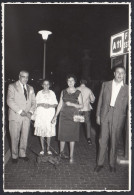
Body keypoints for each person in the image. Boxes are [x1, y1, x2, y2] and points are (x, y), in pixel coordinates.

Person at [94, 65, 128, 173]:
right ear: (114, 73)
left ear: (124, 75)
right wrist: (98, 115)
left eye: (122, 73)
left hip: (118, 117)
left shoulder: (127, 89)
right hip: (105, 114)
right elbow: (100, 100)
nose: (119, 75)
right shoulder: (106, 84)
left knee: (114, 141)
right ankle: (100, 163)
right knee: (102, 140)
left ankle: (112, 164)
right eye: (118, 72)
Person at [52, 74, 83, 163]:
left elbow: (82, 105)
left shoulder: (78, 92)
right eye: (69, 81)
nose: (70, 82)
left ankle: (71, 156)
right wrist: (55, 116)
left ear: (75, 82)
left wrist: (72, 104)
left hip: (74, 116)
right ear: (67, 82)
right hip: (63, 116)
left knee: (72, 137)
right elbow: (60, 104)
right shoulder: (63, 91)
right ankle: (61, 154)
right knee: (62, 136)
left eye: (72, 80)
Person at [7, 70, 36, 163]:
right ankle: (14, 156)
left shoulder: (30, 88)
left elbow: (34, 102)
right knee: (14, 137)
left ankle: (22, 154)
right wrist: (20, 111)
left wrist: (30, 112)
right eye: (23, 76)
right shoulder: (12, 86)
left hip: (27, 117)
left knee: (24, 136)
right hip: (15, 116)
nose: (26, 79)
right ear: (19, 76)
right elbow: (9, 101)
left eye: (27, 77)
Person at [34, 79, 58, 155]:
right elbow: (35, 103)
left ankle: (48, 149)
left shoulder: (52, 93)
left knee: (48, 131)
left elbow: (56, 104)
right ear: (42, 85)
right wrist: (41, 104)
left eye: (47, 84)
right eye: (44, 84)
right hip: (41, 114)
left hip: (49, 114)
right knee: (41, 131)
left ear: (49, 85)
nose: (46, 86)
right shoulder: (39, 93)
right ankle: (42, 148)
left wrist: (49, 105)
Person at [77, 79, 95, 145]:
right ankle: (89, 139)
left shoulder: (76, 89)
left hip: (78, 109)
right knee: (87, 123)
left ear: (80, 82)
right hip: (86, 109)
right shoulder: (88, 90)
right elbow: (92, 100)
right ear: (86, 82)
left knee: (77, 123)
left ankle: (76, 137)